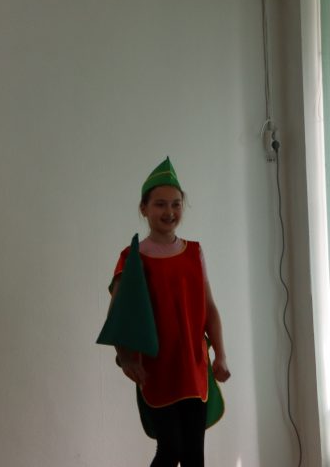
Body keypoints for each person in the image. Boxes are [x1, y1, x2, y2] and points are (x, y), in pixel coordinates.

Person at [109, 157, 230, 467]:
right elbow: (118, 317)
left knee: (193, 455)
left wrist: (221, 355)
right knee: (170, 449)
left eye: (176, 204)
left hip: (193, 366)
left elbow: (209, 308)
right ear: (144, 208)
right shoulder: (133, 257)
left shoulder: (194, 252)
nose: (169, 212)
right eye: (160, 204)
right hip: (157, 368)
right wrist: (125, 358)